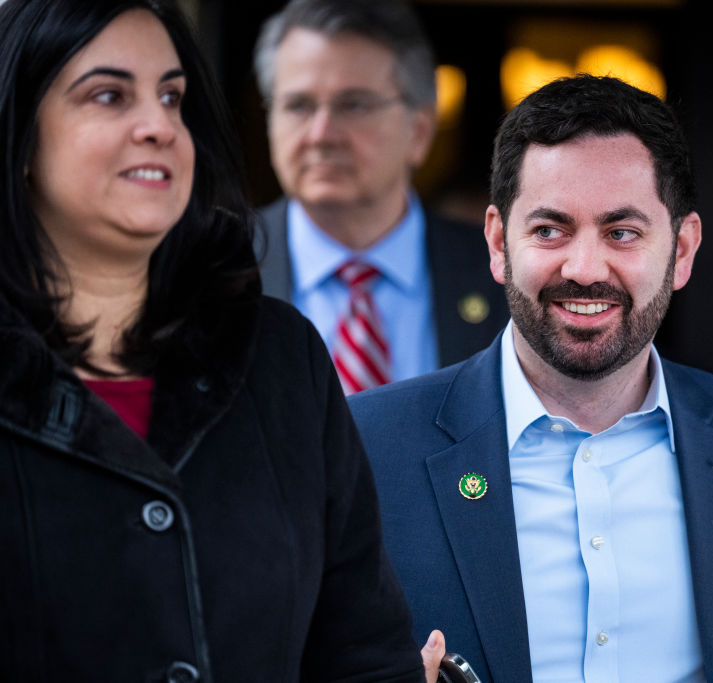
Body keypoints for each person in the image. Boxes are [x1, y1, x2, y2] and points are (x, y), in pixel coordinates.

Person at [0, 0, 425, 680]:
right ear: (20, 137)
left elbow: (366, 651)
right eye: (109, 95)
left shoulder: (283, 359)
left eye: (172, 97)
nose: (159, 126)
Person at [350, 74, 713, 683]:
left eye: (622, 232)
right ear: (498, 243)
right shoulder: (370, 444)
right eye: (550, 230)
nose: (584, 268)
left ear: (681, 250)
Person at [252, 0, 507, 394]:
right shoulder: (208, 271)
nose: (321, 134)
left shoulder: (504, 277)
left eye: (353, 105)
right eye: (298, 105)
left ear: (420, 130)